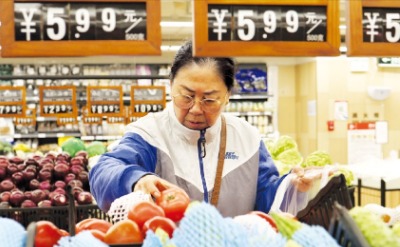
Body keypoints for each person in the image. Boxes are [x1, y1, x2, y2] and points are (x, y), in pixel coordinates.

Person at [89, 40, 317, 217]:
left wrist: (292, 186)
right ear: (170, 85)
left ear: (227, 96)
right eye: (186, 96)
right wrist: (135, 179)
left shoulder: (246, 138)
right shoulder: (150, 133)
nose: (196, 109)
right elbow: (103, 171)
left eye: (209, 100)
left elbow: (266, 197)